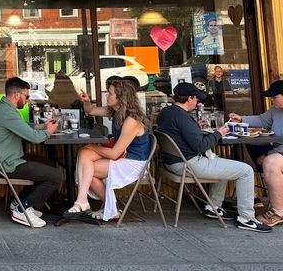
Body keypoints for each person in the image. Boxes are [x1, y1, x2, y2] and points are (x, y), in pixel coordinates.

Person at [157, 82, 271, 233]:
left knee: (223, 164)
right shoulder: (183, 117)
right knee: (246, 171)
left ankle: (213, 207)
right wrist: (220, 133)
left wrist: (195, 127)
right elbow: (200, 146)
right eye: (196, 98)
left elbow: (180, 133)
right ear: (190, 98)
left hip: (172, 162)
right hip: (188, 164)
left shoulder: (167, 112)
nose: (197, 102)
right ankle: (247, 218)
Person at [67, 80, 151, 221]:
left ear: (120, 97)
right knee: (84, 154)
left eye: (110, 93)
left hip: (134, 163)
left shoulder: (131, 120)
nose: (107, 95)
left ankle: (103, 206)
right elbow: (91, 110)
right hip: (123, 156)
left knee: (88, 168)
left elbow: (114, 153)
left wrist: (93, 146)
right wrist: (87, 101)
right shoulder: (116, 111)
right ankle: (84, 201)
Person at [0, 77, 61, 228]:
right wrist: (49, 132)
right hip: (6, 165)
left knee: (50, 165)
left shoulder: (2, 107)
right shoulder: (7, 112)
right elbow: (34, 138)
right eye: (26, 96)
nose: (28, 100)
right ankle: (23, 208)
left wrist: (41, 127)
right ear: (17, 95)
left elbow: (22, 127)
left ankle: (18, 202)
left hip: (9, 159)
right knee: (56, 175)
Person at [229, 79, 283, 227]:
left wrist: (268, 154)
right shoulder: (275, 110)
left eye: (274, 96)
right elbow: (262, 120)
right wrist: (241, 118)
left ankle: (278, 212)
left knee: (271, 162)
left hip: (279, 152)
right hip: (279, 150)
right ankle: (250, 195)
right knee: (250, 146)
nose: (271, 99)